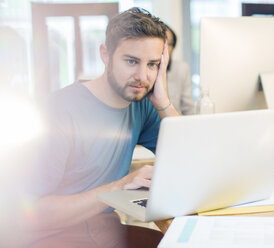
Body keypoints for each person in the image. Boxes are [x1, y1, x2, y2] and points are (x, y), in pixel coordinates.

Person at [17, 7, 179, 248]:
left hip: (104, 228)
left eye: (153, 64)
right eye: (131, 61)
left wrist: (163, 102)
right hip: (53, 236)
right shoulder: (58, 111)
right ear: (105, 54)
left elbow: (188, 158)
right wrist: (119, 186)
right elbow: (33, 215)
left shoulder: (142, 105)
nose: (142, 76)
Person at [165, 25, 194, 115]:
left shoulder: (182, 69)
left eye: (169, 44)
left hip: (175, 122)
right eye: (163, 43)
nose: (165, 48)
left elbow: (189, 109)